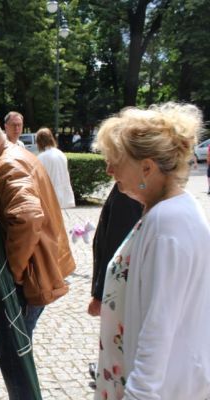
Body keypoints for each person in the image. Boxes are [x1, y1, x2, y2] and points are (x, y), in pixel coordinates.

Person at [93, 102, 210, 399]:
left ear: (147, 166)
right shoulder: (165, 211)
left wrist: (139, 394)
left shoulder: (167, 222)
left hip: (164, 387)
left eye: (116, 160)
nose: (109, 169)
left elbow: (159, 325)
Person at [0, 110, 75, 399]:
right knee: (7, 348)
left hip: (24, 279)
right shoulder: (10, 158)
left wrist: (12, 274)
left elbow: (28, 217)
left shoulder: (8, 164)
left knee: (14, 354)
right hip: (25, 276)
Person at [87, 185, 142, 317]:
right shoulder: (131, 188)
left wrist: (100, 295)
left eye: (113, 164)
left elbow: (117, 247)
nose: (109, 170)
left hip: (121, 293)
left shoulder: (128, 192)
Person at [36, 127, 76, 209]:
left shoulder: (41, 157)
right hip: (62, 194)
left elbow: (38, 179)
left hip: (49, 196)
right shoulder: (61, 154)